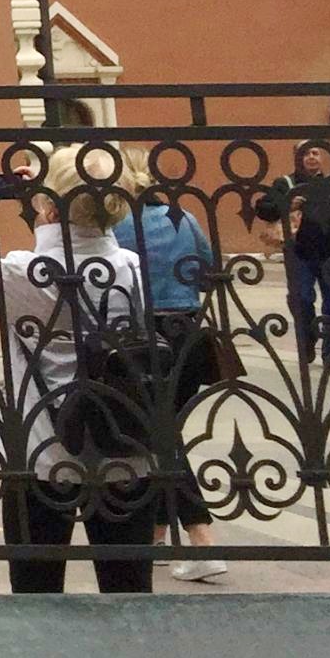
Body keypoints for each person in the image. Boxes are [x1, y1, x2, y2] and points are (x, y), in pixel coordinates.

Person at [0, 144, 159, 594]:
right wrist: (48, 205)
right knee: (130, 591)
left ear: (49, 209)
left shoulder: (26, 274)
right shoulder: (131, 268)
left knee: (36, 591)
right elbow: (81, 241)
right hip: (125, 447)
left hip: (44, 454)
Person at [114, 180, 224, 582]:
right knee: (162, 432)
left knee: (159, 436)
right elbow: (209, 270)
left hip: (146, 337)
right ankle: (156, 535)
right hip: (188, 333)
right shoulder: (185, 218)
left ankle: (202, 539)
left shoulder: (117, 225)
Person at [268, 143, 330, 370]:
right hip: (299, 252)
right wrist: (286, 204)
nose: (311, 157)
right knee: (300, 298)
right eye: (305, 154)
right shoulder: (285, 184)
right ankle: (308, 337)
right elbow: (264, 209)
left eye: (315, 153)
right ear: (297, 158)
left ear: (321, 157)